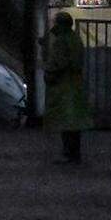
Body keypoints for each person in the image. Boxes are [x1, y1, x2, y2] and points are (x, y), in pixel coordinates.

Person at [43, 11, 92, 164]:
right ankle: (74, 153)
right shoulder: (75, 39)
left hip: (63, 86)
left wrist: (49, 73)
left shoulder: (61, 41)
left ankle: (69, 154)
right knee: (73, 122)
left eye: (54, 22)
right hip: (74, 84)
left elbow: (60, 63)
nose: (52, 25)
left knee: (65, 121)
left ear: (60, 24)